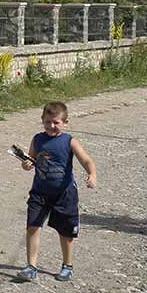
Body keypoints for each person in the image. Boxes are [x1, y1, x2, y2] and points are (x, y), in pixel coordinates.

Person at [18, 101, 97, 282]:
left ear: (65, 122)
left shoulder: (70, 141)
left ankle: (67, 265)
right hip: (39, 192)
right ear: (42, 121)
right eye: (48, 122)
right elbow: (30, 159)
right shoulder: (37, 139)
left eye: (56, 122)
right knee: (32, 227)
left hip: (64, 193)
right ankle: (31, 266)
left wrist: (92, 174)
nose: (51, 126)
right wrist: (26, 164)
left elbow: (86, 160)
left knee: (65, 232)